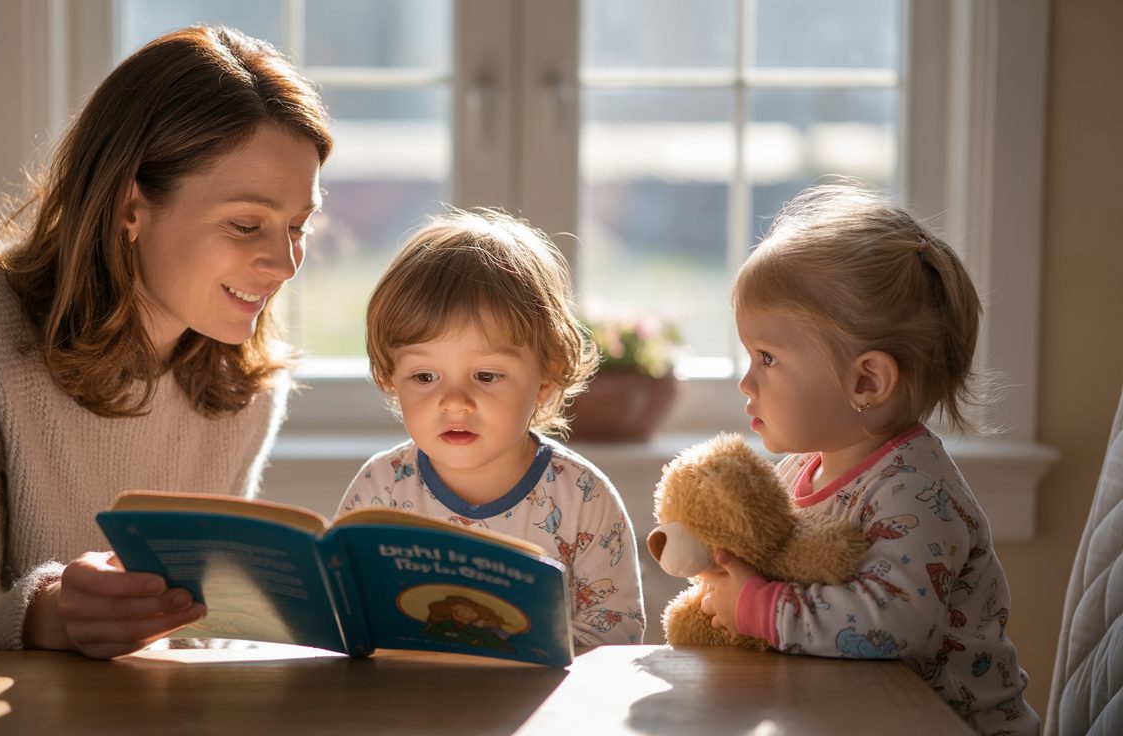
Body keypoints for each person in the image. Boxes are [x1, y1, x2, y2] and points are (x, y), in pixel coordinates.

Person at [0, 26, 332, 659]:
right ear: (129, 207)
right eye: (246, 225)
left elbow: (187, 633)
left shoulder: (244, 382)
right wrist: (50, 614)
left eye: (299, 227)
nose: (283, 265)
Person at [697, 183, 1038, 735]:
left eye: (767, 357)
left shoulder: (915, 492)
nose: (746, 381)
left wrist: (761, 608)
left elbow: (894, 623)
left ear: (867, 380)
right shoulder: (799, 470)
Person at [337, 210, 646, 647]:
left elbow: (616, 629)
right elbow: (348, 613)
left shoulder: (582, 496)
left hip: (541, 708)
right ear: (391, 377)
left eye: (486, 376)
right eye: (425, 377)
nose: (455, 401)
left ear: (545, 378)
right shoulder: (380, 489)